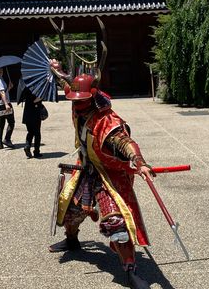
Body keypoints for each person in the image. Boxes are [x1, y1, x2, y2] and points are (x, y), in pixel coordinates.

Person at [48, 63, 155, 289]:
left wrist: (140, 162)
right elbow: (67, 82)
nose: (76, 105)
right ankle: (72, 240)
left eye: (81, 101)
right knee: (70, 210)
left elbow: (125, 142)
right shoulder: (79, 104)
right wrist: (55, 69)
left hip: (108, 175)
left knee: (117, 223)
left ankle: (130, 269)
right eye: (74, 101)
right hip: (87, 168)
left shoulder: (107, 121)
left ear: (92, 98)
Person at [0, 68, 15, 149]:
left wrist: (9, 88)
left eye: (1, 70)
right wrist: (6, 104)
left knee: (1, 124)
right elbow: (2, 93)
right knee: (11, 122)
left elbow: (3, 92)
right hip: (4, 104)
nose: (1, 71)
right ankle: (7, 139)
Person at [21, 85, 43, 159]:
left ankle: (27, 146)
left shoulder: (26, 87)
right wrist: (41, 97)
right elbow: (34, 100)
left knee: (30, 132)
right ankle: (36, 152)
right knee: (37, 134)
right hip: (34, 114)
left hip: (27, 114)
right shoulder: (37, 88)